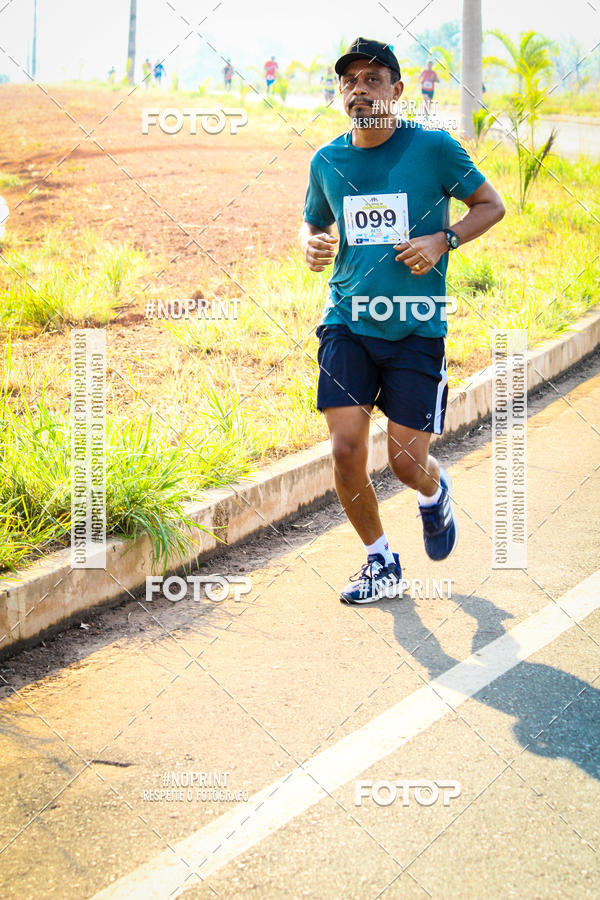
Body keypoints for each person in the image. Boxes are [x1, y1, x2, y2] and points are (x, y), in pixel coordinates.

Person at [299, 37, 505, 604]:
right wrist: (311, 242)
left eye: (373, 79)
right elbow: (313, 221)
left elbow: (491, 205)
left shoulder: (433, 148)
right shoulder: (327, 161)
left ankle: (433, 492)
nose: (359, 89)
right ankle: (380, 561)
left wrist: (444, 240)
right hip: (347, 321)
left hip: (416, 326)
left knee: (407, 463)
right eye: (350, 80)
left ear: (397, 90)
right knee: (346, 450)